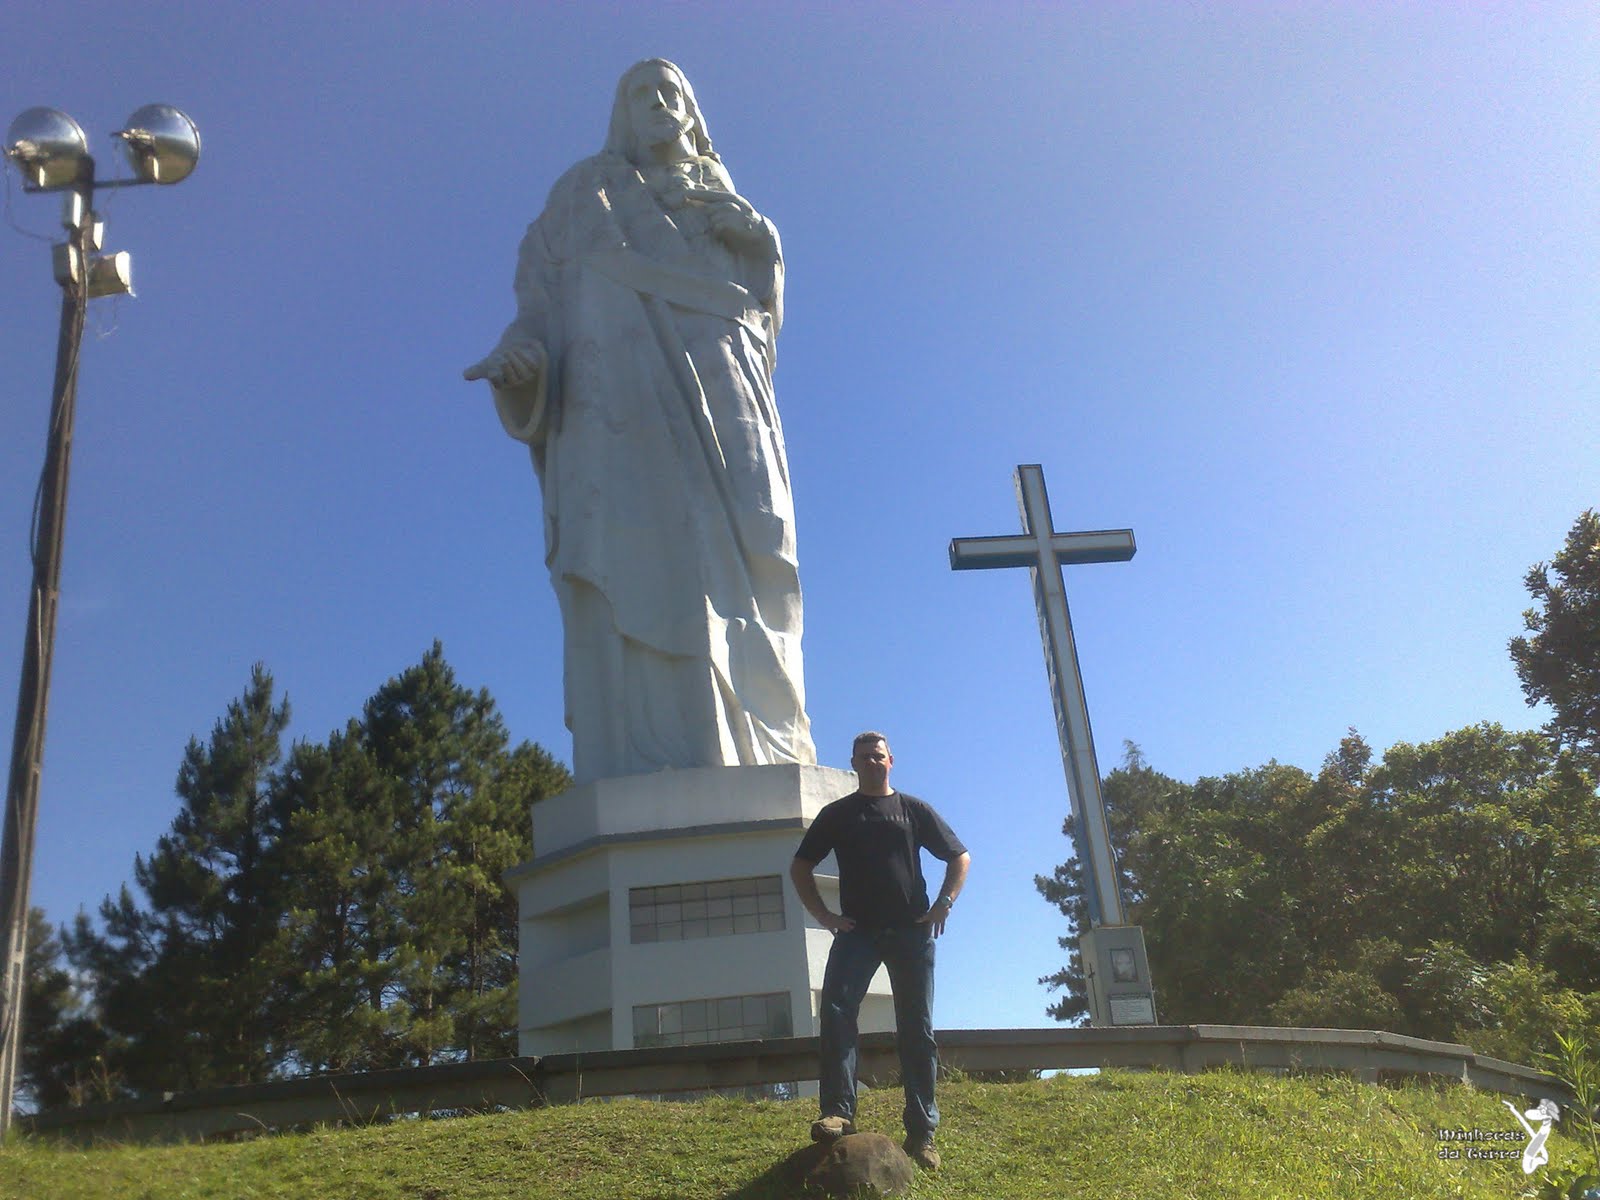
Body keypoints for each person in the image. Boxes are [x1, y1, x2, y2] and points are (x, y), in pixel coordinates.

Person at [464, 59, 816, 784]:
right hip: (622, 415)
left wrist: (764, 247)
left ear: (691, 110)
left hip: (728, 403)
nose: (658, 103)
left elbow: (762, 322)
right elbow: (539, 299)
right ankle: (656, 751)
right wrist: (522, 355)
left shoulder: (728, 203)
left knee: (750, 551)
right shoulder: (581, 197)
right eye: (641, 93)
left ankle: (758, 736)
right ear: (622, 112)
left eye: (672, 92)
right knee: (655, 557)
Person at [790, 732, 971, 1171]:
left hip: (911, 932)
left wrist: (943, 903)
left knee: (917, 1029)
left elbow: (959, 856)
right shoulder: (839, 814)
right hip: (857, 932)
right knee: (836, 1012)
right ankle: (838, 1111)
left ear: (891, 760)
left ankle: (923, 1134)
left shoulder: (913, 809)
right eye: (864, 757)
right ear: (853, 763)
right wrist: (826, 916)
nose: (873, 762)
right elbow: (800, 867)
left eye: (879, 756)